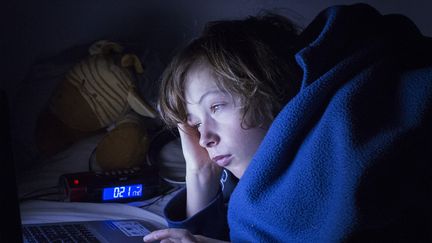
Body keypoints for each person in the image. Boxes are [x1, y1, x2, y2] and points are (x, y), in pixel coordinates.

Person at [145, 3, 432, 242]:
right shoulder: (245, 181)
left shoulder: (344, 141)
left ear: (270, 89)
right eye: (194, 123)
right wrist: (200, 172)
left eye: (217, 107)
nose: (205, 137)